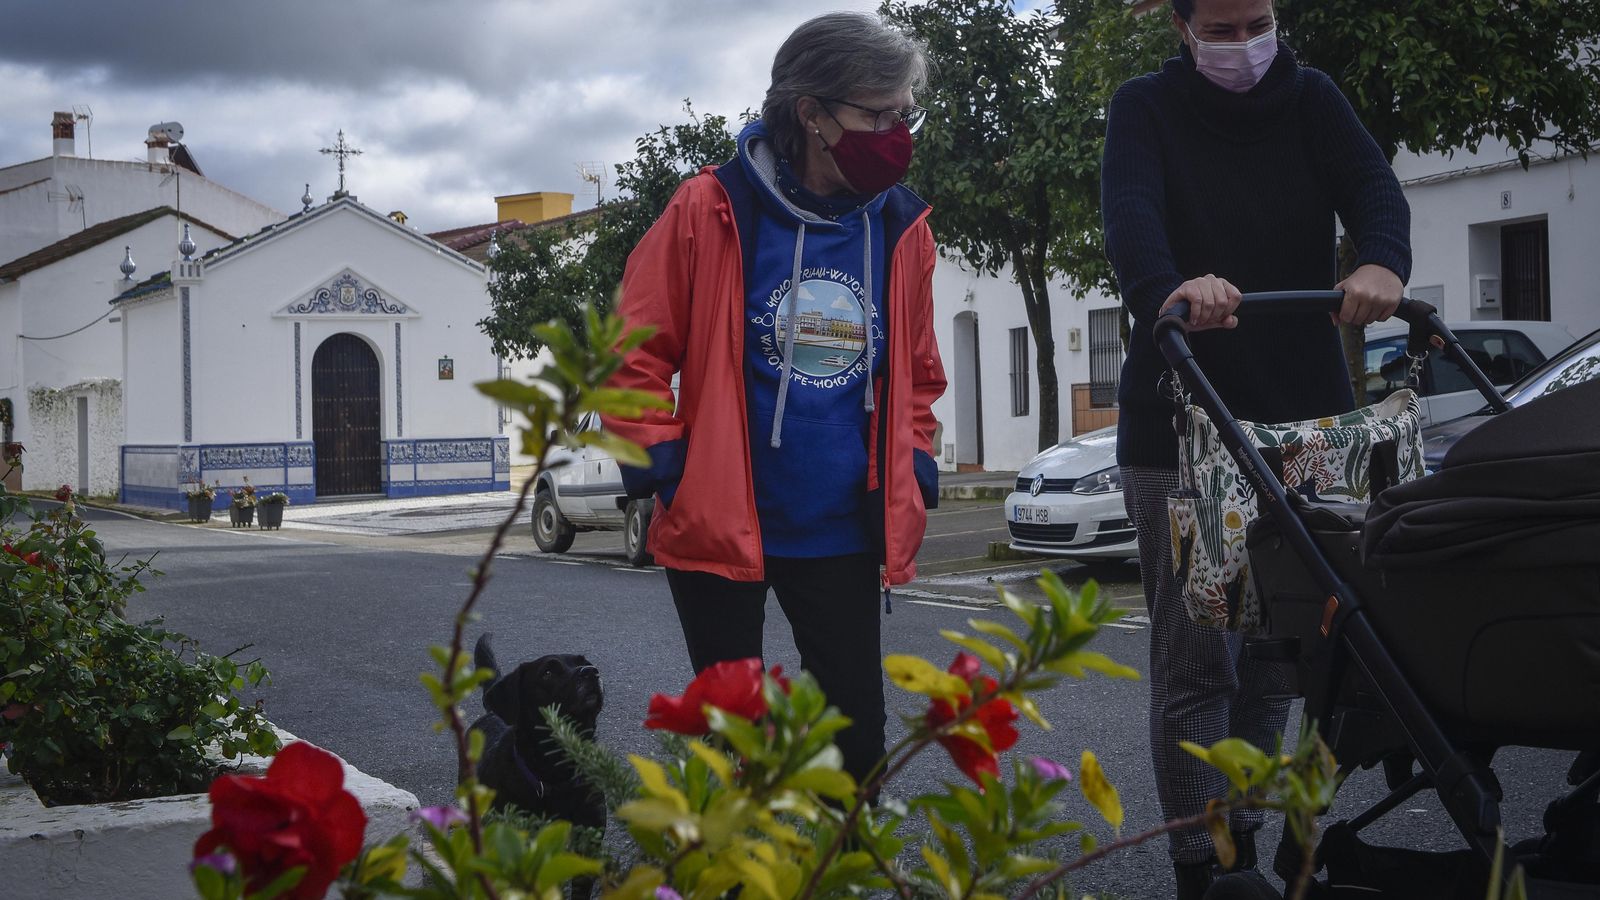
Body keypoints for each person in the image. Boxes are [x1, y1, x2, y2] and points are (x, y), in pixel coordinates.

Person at [1100, 0, 1410, 896]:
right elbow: (1131, 218)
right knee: (1199, 657)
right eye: (1223, 28)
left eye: (1259, 22)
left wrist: (1382, 257)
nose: (1244, 45)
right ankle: (1202, 867)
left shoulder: (1313, 99)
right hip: (1181, 422)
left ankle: (1244, 836)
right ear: (1183, 29)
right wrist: (1169, 289)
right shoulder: (1144, 108)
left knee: (1278, 653)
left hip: (1303, 424)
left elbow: (1375, 189)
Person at [602, 11, 946, 785]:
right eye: (876, 114)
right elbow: (630, 351)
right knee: (733, 746)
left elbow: (920, 371)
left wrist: (914, 462)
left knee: (855, 744)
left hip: (843, 529)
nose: (896, 132)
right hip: (721, 524)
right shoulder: (708, 208)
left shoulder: (903, 227)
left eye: (904, 114)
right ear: (811, 114)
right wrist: (664, 464)